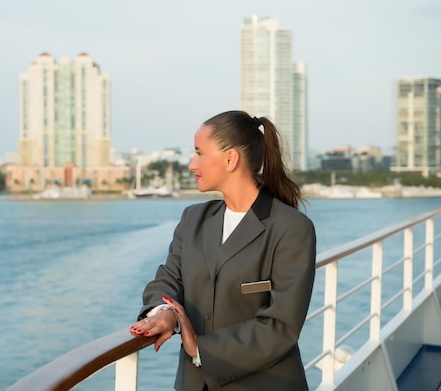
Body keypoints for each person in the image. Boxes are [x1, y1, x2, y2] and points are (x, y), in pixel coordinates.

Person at [129, 110, 316, 390]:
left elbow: (281, 327)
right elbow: (168, 279)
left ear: (230, 159)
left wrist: (200, 348)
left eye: (199, 153)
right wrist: (163, 312)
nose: (192, 165)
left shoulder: (292, 228)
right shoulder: (193, 219)